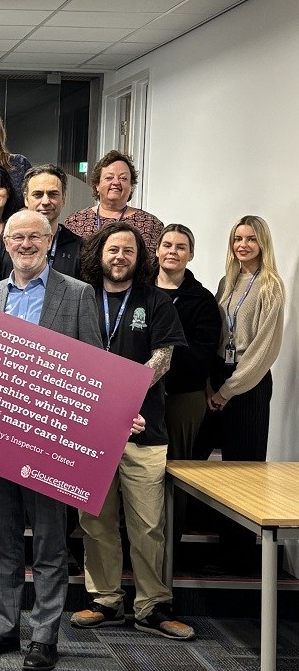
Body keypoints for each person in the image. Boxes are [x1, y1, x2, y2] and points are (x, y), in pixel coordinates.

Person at [0, 211, 104, 671]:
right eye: (17, 238)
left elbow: (95, 367)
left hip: (51, 441)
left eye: (34, 237)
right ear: (5, 244)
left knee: (49, 543)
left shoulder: (78, 293)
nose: (25, 244)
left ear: (49, 242)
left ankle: (44, 635)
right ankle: (4, 627)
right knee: (1, 540)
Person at [71, 223, 194, 641]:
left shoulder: (155, 300)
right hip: (88, 432)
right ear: (98, 254)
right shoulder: (81, 296)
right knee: (95, 521)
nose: (120, 256)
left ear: (140, 258)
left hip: (144, 431)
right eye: (113, 249)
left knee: (148, 525)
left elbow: (164, 357)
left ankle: (152, 606)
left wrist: (123, 399)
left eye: (128, 250)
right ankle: (105, 600)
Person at [195, 216, 284, 571]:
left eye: (250, 239)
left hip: (249, 382)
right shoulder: (227, 281)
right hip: (219, 375)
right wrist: (210, 384)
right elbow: (218, 335)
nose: (242, 245)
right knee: (196, 457)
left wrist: (228, 391)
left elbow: (263, 350)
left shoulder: (270, 286)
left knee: (242, 471)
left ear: (263, 243)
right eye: (237, 239)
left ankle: (237, 555)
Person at [152, 224, 220, 556]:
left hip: (182, 397)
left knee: (175, 471)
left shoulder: (202, 300)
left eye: (181, 247)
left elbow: (201, 355)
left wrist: (158, 366)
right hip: (139, 397)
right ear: (157, 250)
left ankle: (169, 552)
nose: (173, 252)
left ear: (190, 255)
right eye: (167, 245)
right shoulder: (139, 291)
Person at [0, 164, 83, 288]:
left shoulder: (80, 248)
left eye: (53, 194)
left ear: (63, 199)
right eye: (38, 194)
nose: (45, 201)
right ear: (26, 199)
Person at [62, 150, 164, 255]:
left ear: (131, 186)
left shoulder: (150, 225)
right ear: (97, 185)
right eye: (109, 178)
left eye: (123, 178)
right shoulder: (75, 222)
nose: (116, 182)